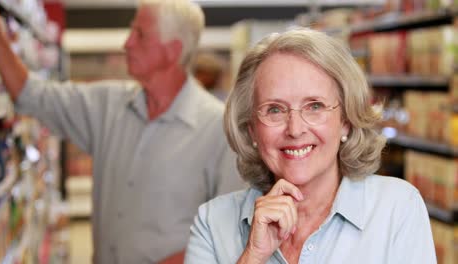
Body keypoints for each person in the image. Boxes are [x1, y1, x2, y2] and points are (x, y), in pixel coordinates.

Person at [0, 0, 243, 263]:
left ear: (172, 51)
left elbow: (227, 234)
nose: (127, 44)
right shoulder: (106, 106)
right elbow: (33, 95)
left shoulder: (219, 129)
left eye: (140, 34)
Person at [185, 28, 436, 264]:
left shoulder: (397, 208)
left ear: (346, 121)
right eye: (274, 109)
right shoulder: (213, 222)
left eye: (314, 106)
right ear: (251, 129)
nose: (295, 129)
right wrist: (252, 256)